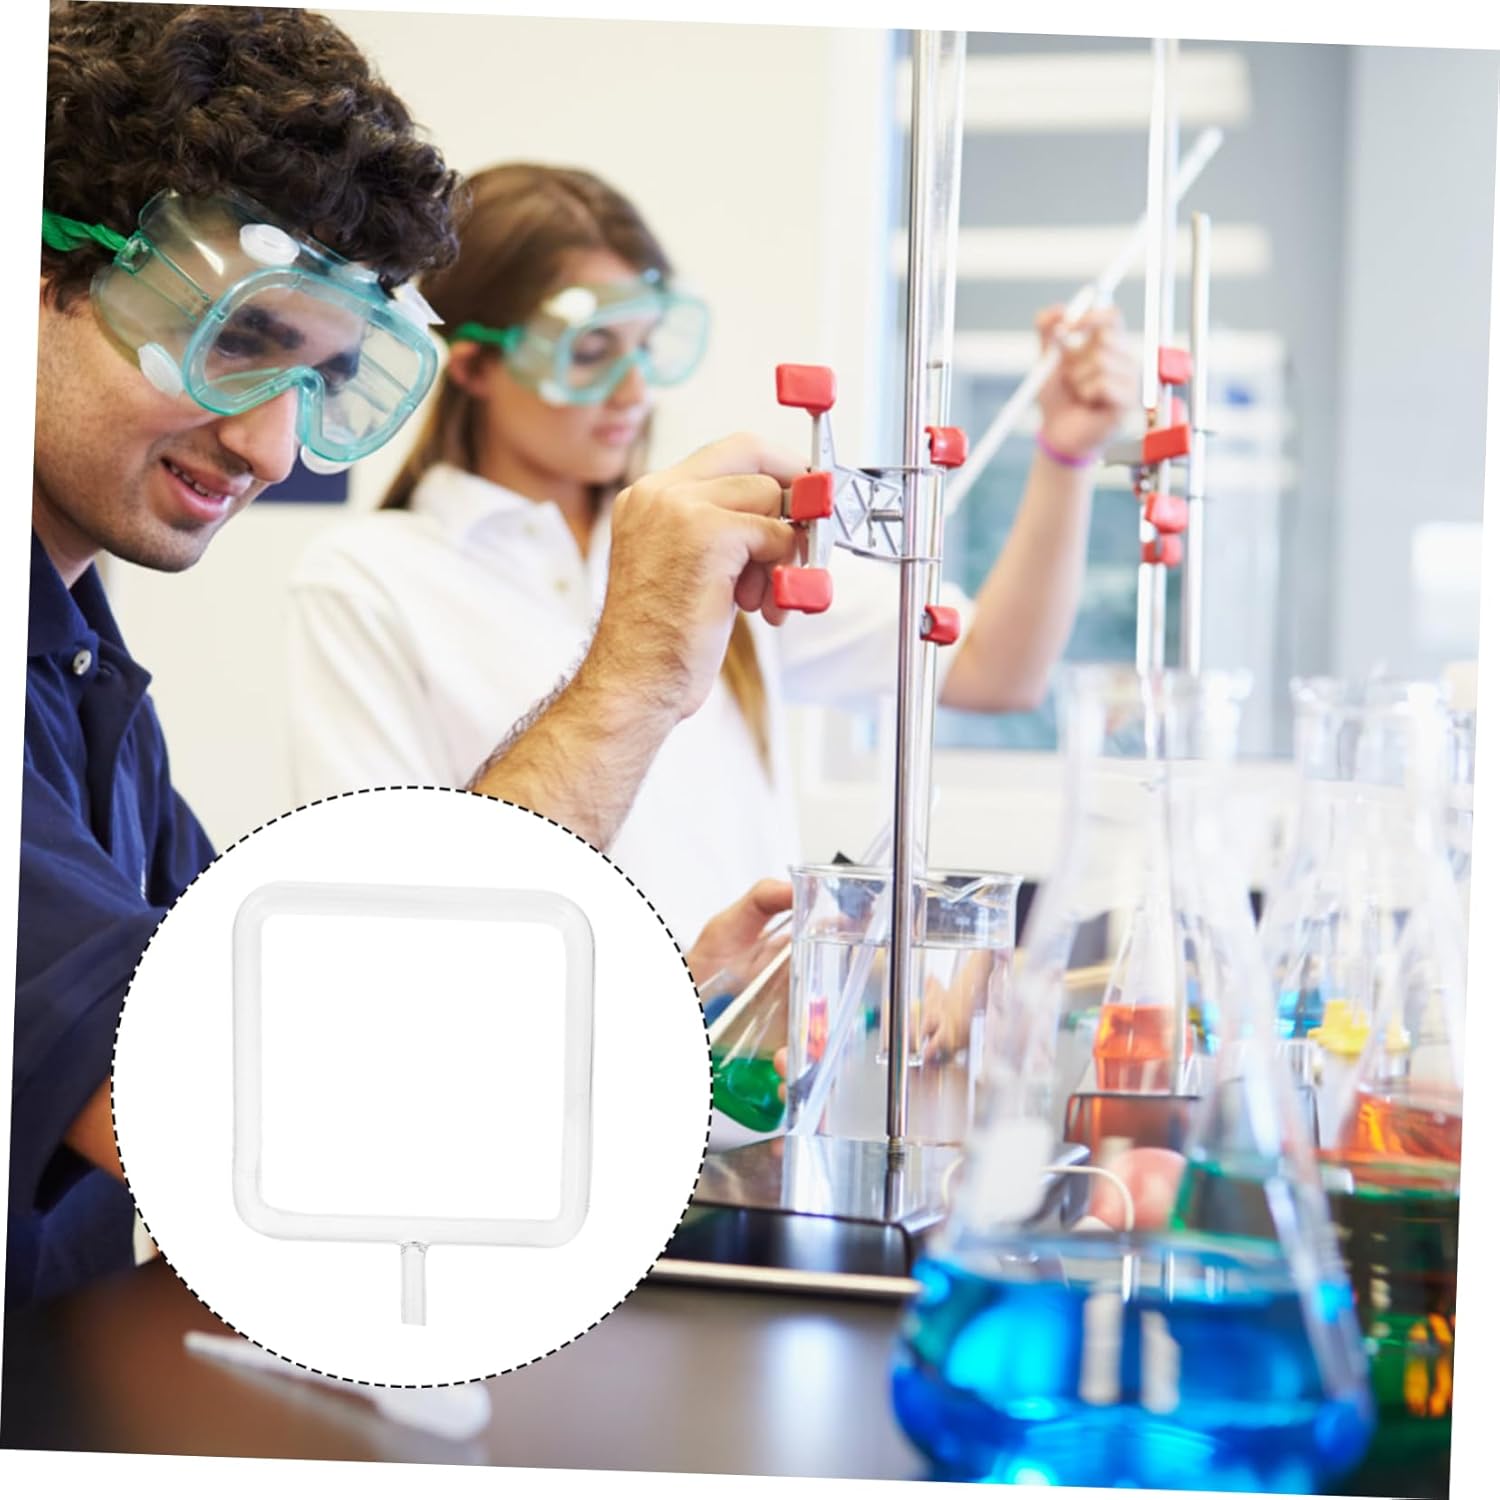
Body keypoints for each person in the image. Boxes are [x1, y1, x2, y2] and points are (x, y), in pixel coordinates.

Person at [16, 4, 800, 1308]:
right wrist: (638, 676)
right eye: (236, 340)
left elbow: (319, 1029)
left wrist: (644, 1021)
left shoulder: (79, 657)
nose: (272, 451)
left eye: (317, 381)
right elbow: (259, 1132)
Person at [287, 164, 1134, 944]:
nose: (634, 391)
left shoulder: (708, 546)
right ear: (473, 365)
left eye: (645, 348)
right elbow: (377, 920)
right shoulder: (371, 581)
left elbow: (995, 669)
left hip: (755, 1057)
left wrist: (1065, 455)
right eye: (589, 352)